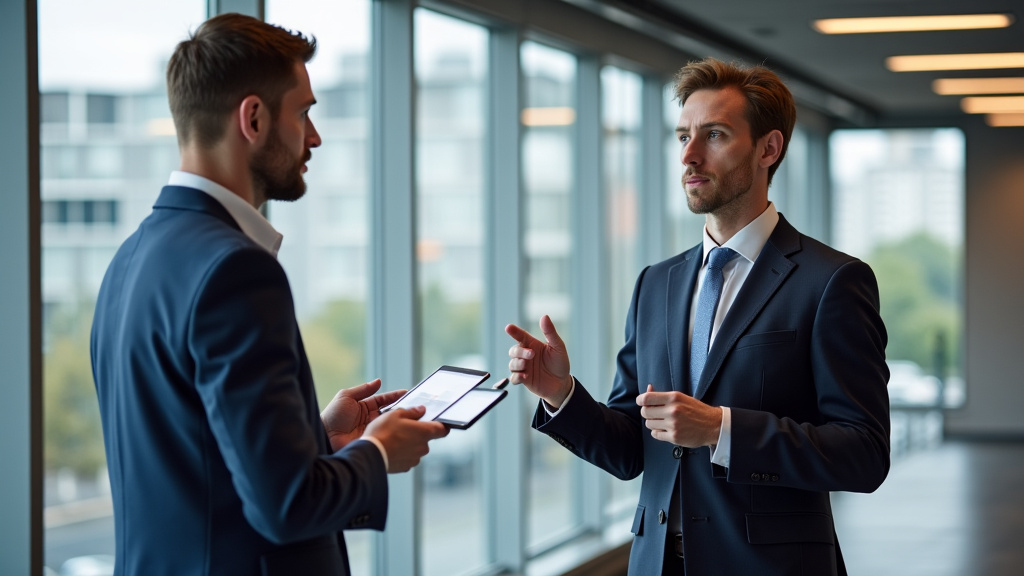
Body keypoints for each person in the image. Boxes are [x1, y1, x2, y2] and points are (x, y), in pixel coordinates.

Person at [90, 13, 448, 576]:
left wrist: (316, 437)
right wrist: (378, 453)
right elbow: (285, 507)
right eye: (303, 112)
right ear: (253, 118)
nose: (315, 136)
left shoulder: (130, 259)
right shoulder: (236, 270)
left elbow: (198, 469)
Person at [506, 57, 890, 576]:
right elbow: (630, 451)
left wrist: (722, 429)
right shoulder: (655, 284)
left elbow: (864, 453)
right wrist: (561, 395)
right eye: (682, 135)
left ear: (768, 148)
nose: (689, 155)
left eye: (714, 135)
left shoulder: (831, 282)